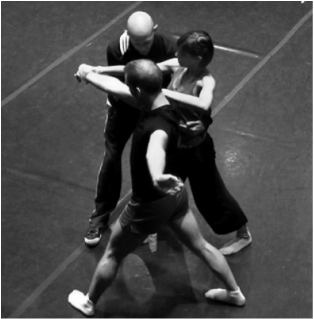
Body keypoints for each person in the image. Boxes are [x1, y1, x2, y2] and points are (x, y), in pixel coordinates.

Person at [69, 60, 246, 317]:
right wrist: (90, 73)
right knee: (201, 246)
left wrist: (156, 175)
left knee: (112, 255)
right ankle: (234, 293)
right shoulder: (166, 101)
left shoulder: (157, 126)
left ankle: (88, 302)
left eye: (131, 88)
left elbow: (156, 149)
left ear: (138, 91)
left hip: (147, 204)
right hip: (175, 198)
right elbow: (115, 86)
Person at [81, 30, 252, 256]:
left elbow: (203, 104)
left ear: (197, 59)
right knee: (160, 188)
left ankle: (243, 234)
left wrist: (161, 91)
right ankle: (153, 226)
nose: (177, 54)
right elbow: (142, 70)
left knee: (210, 195)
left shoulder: (205, 80)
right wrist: (100, 69)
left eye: (181, 53)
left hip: (197, 148)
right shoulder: (177, 65)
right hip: (175, 143)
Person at [85, 11, 178, 247]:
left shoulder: (169, 46)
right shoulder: (117, 48)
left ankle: (159, 212)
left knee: (156, 159)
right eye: (138, 44)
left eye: (146, 42)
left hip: (154, 109)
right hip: (124, 106)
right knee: (112, 156)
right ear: (127, 35)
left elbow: (173, 81)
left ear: (155, 29)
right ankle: (100, 216)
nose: (143, 48)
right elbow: (121, 86)